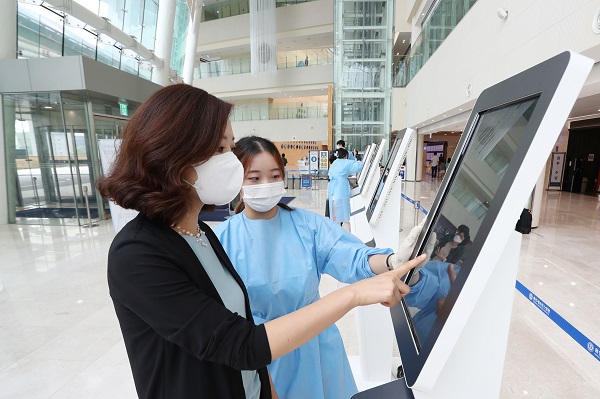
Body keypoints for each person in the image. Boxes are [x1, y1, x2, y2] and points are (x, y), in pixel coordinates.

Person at [97, 84, 424, 399]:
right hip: (256, 357)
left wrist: (392, 262)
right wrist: (352, 296)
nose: (231, 163)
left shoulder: (203, 234)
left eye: (230, 146)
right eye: (221, 149)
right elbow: (237, 343)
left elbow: (349, 258)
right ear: (177, 158)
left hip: (283, 368)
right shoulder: (140, 253)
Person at [214, 136, 424, 399]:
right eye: (254, 178)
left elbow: (351, 256)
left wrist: (392, 261)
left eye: (274, 175)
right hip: (262, 352)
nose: (266, 185)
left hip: (316, 346)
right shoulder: (221, 240)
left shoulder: (307, 226)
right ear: (238, 181)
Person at [328, 148, 362, 231]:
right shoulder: (346, 162)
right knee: (345, 216)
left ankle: (336, 234)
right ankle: (347, 235)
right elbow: (359, 166)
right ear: (346, 155)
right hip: (340, 190)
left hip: (332, 190)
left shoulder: (335, 163)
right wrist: (358, 158)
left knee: (335, 215)